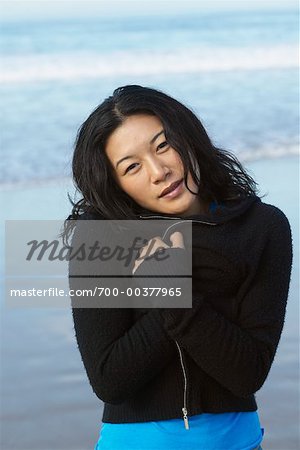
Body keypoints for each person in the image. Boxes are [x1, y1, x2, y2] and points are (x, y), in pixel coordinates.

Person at [64, 85, 292, 450]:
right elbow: (110, 380)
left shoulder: (262, 227)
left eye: (163, 145)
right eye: (132, 166)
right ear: (117, 184)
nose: (158, 171)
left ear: (188, 136)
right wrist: (171, 287)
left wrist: (174, 290)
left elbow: (247, 373)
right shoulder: (101, 238)